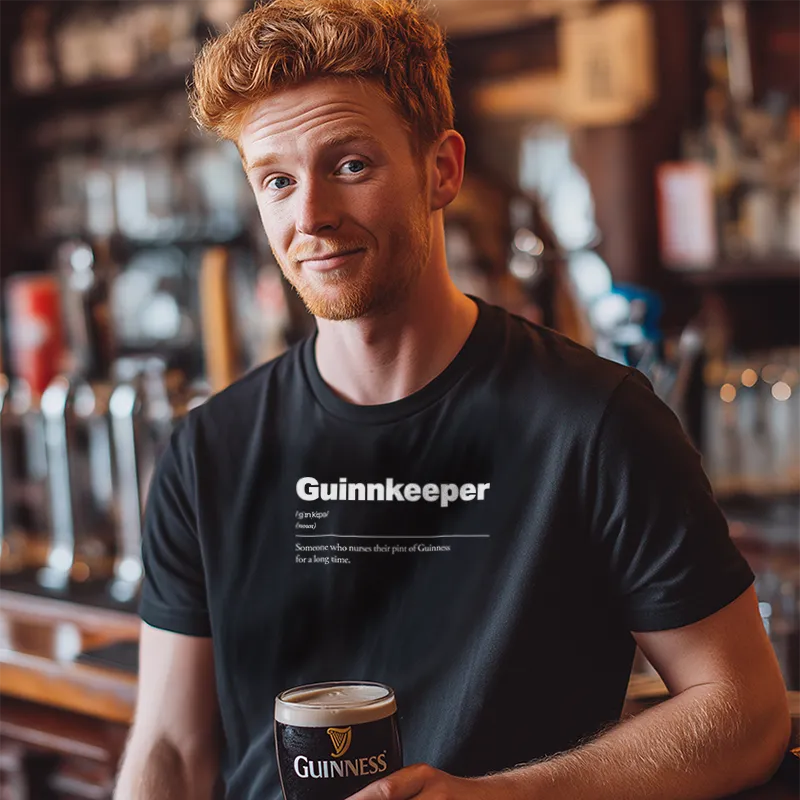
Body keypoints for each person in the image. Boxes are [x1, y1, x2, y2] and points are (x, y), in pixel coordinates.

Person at [113, 1, 790, 798]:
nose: (311, 217)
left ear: (443, 169)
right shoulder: (208, 453)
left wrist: (498, 798)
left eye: (352, 165)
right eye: (277, 180)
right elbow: (168, 746)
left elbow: (745, 710)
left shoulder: (594, 422)